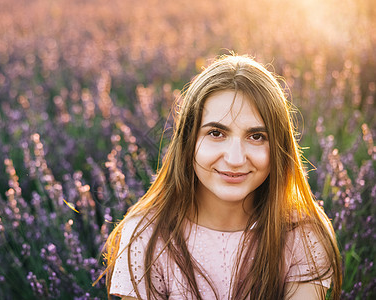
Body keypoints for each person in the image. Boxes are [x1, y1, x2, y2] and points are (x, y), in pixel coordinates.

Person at [102, 55, 342, 299]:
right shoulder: (148, 236)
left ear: (279, 147)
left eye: (257, 136)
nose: (235, 158)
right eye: (216, 133)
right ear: (188, 140)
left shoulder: (302, 236)